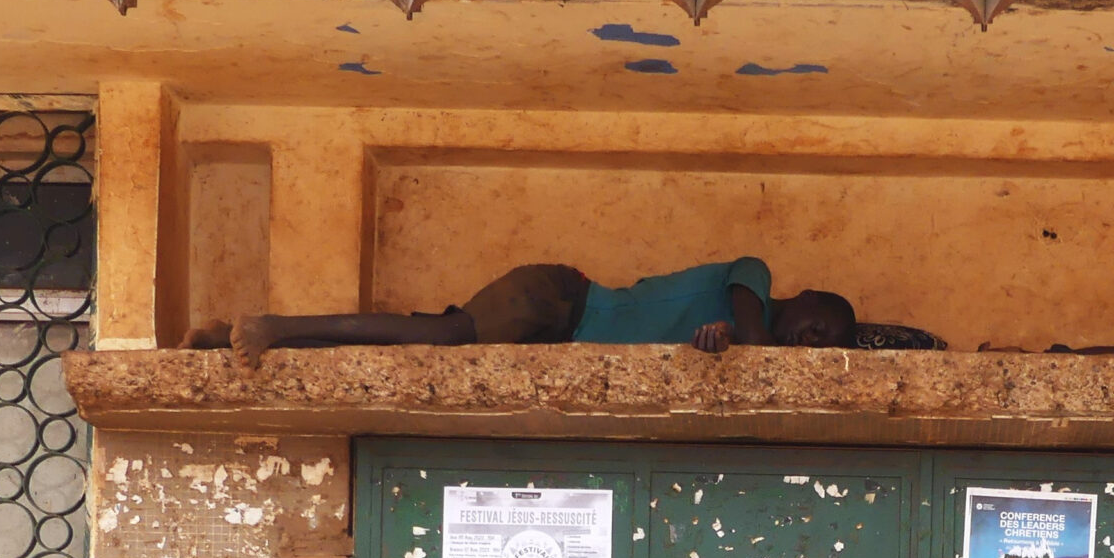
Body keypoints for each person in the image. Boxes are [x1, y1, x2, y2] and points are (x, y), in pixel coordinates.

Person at [188, 258, 856, 365]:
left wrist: (724, 347)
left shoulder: (739, 336)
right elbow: (752, 321)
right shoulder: (757, 283)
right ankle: (272, 327)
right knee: (441, 337)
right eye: (820, 327)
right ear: (809, 295)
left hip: (559, 330)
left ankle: (223, 340)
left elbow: (737, 340)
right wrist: (748, 342)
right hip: (560, 303)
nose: (811, 341)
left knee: (420, 340)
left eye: (821, 346)